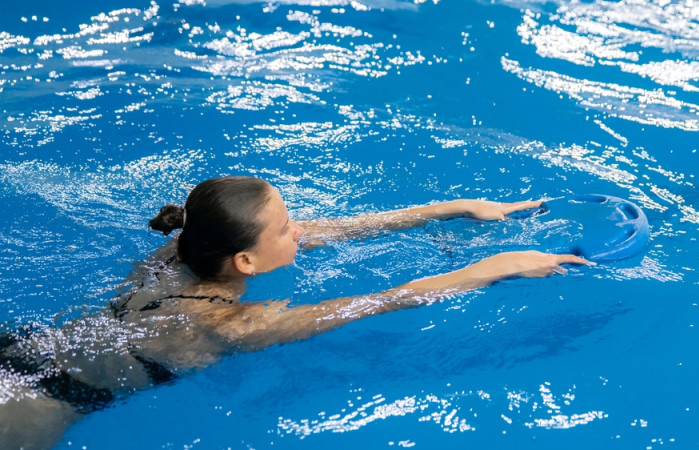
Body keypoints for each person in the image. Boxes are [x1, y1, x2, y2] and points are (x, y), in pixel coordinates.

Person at [0, 176, 590, 449]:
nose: (302, 230)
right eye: (287, 227)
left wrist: (456, 207)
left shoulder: (176, 254)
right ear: (246, 262)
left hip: (22, 347)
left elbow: (350, 228)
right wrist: (492, 268)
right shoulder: (228, 326)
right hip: (31, 408)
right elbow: (383, 299)